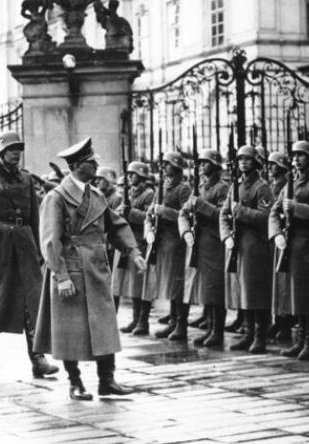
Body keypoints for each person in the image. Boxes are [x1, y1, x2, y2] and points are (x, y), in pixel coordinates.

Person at [34, 138, 145, 400]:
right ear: (76, 166)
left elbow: (115, 225)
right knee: (69, 329)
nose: (96, 164)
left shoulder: (95, 195)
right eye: (90, 161)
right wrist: (61, 277)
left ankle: (107, 380)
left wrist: (133, 251)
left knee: (105, 325)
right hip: (70, 269)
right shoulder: (56, 198)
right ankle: (75, 383)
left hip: (96, 269)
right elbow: (50, 240)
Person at [0, 131, 58, 378]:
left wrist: (39, 247)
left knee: (32, 301)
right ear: (0, 153)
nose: (16, 153)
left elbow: (35, 216)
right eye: (11, 149)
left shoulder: (27, 179)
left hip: (24, 242)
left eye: (18, 148)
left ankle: (38, 358)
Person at [269, 141, 309, 361]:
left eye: (301, 155)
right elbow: (274, 212)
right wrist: (276, 234)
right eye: (293, 155)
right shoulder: (290, 185)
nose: (296, 159)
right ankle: (300, 340)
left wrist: (297, 208)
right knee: (297, 296)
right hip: (292, 245)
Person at [220, 145, 274, 353]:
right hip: (239, 244)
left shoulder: (262, 187)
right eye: (240, 159)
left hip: (256, 245)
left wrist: (239, 211)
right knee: (243, 290)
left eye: (247, 159)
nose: (243, 162)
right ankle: (248, 332)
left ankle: (260, 336)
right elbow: (224, 213)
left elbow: (265, 216)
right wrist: (226, 236)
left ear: (256, 162)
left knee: (256, 292)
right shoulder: (236, 186)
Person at [179, 149, 229, 347]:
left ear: (216, 166)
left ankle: (217, 331)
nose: (201, 166)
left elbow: (224, 215)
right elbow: (184, 211)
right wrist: (186, 231)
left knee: (215, 288)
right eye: (200, 163)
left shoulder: (223, 188)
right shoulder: (199, 186)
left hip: (215, 243)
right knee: (206, 289)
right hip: (200, 242)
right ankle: (209, 327)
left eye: (205, 163)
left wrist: (201, 205)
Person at [143, 152, 191, 340]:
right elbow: (150, 213)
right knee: (171, 284)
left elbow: (186, 214)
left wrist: (167, 212)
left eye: (167, 164)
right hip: (162, 241)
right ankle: (173, 322)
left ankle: (181, 324)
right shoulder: (163, 188)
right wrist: (149, 229)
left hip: (176, 241)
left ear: (177, 167)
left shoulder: (183, 189)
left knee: (178, 284)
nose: (163, 167)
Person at [113, 161, 154, 335]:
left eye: (133, 174)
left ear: (142, 176)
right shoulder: (128, 193)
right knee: (131, 284)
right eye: (128, 174)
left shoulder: (149, 194)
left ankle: (143, 321)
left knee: (141, 284)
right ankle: (135, 318)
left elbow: (149, 217)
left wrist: (130, 212)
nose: (130, 177)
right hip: (127, 241)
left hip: (140, 241)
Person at [267, 152, 293, 343]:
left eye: (274, 164)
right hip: (276, 238)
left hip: (289, 237)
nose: (270, 167)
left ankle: (285, 324)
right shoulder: (273, 185)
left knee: (284, 285)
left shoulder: (286, 185)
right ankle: (278, 321)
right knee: (278, 285)